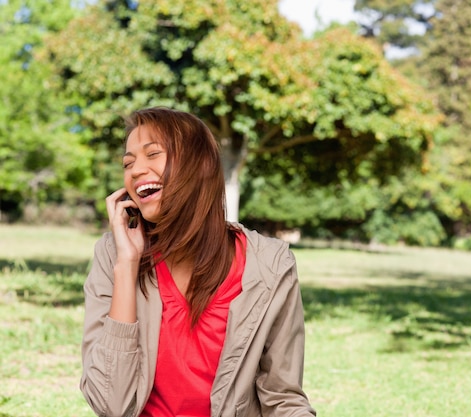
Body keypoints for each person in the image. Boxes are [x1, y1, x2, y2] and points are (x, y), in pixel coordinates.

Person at [81, 107, 316, 417]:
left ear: (201, 165)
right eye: (128, 162)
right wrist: (126, 264)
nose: (136, 170)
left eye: (153, 154)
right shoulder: (114, 253)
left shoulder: (271, 265)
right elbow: (110, 405)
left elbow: (283, 398)